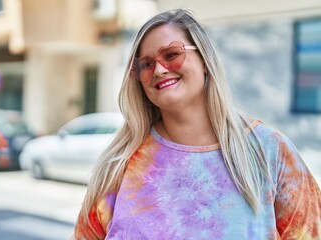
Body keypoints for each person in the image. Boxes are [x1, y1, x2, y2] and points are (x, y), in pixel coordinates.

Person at [72, 9, 321, 239]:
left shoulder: (267, 150)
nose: (158, 69)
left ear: (204, 61)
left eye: (172, 55)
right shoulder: (119, 165)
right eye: (146, 64)